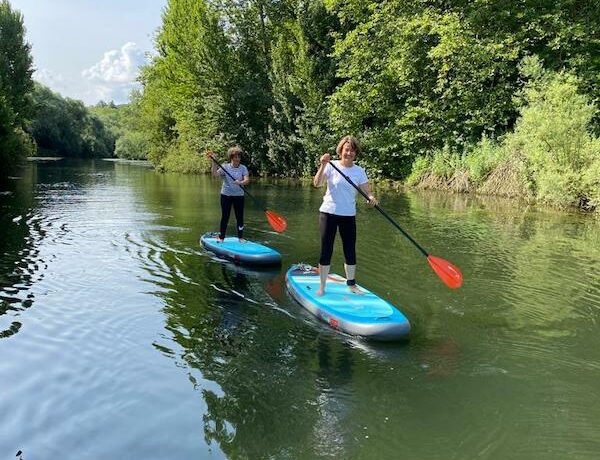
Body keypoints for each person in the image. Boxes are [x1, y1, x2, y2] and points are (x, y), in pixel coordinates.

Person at [312, 136, 378, 296]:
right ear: (341, 150)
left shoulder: (359, 171)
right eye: (346, 149)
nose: (349, 153)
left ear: (355, 153)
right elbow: (317, 183)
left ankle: (351, 284)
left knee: (350, 250)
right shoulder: (331, 165)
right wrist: (322, 165)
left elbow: (367, 191)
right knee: (326, 250)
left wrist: (371, 197)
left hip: (348, 215)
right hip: (328, 213)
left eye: (352, 150)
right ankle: (322, 286)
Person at [205, 146, 250, 242]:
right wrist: (214, 162)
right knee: (225, 216)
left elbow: (247, 180)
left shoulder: (243, 168)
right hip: (226, 196)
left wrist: (240, 182)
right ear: (231, 157)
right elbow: (215, 174)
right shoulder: (225, 167)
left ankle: (240, 238)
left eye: (239, 157)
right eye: (235, 157)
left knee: (240, 217)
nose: (237, 159)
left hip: (239, 196)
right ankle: (221, 238)